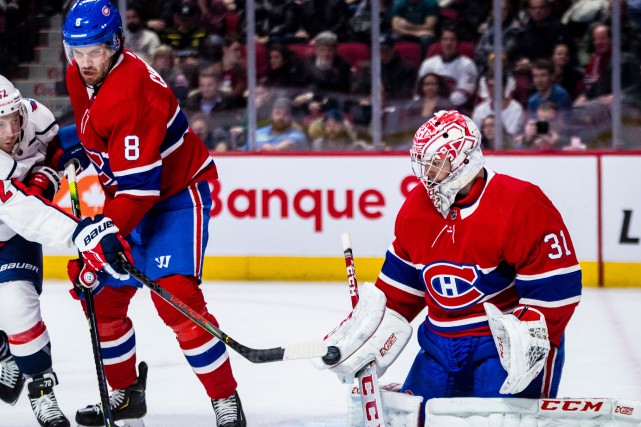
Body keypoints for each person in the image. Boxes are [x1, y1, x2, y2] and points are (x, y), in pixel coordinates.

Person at [313, 110, 582, 420]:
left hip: (500, 350)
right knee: (412, 419)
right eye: (423, 163)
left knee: (499, 421)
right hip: (439, 348)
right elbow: (399, 292)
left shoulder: (519, 203)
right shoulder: (416, 208)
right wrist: (367, 334)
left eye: (435, 163)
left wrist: (529, 334)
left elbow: (556, 288)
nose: (426, 173)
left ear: (463, 161)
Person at [62, 1, 246, 426]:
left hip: (175, 196)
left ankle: (225, 400)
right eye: (78, 51)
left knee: (176, 298)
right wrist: (78, 146)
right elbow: (97, 127)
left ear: (116, 45)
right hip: (129, 198)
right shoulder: (80, 74)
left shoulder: (133, 94)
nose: (86, 62)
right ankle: (126, 395)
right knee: (100, 295)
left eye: (95, 51)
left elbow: (141, 188)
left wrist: (105, 230)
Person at [0, 75, 133, 427]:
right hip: (18, 217)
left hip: (10, 238)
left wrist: (64, 158)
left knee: (16, 307)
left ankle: (42, 392)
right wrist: (81, 234)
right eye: (0, 125)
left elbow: (56, 146)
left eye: (12, 118)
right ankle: (5, 353)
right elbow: (27, 209)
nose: (11, 131)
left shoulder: (36, 117)